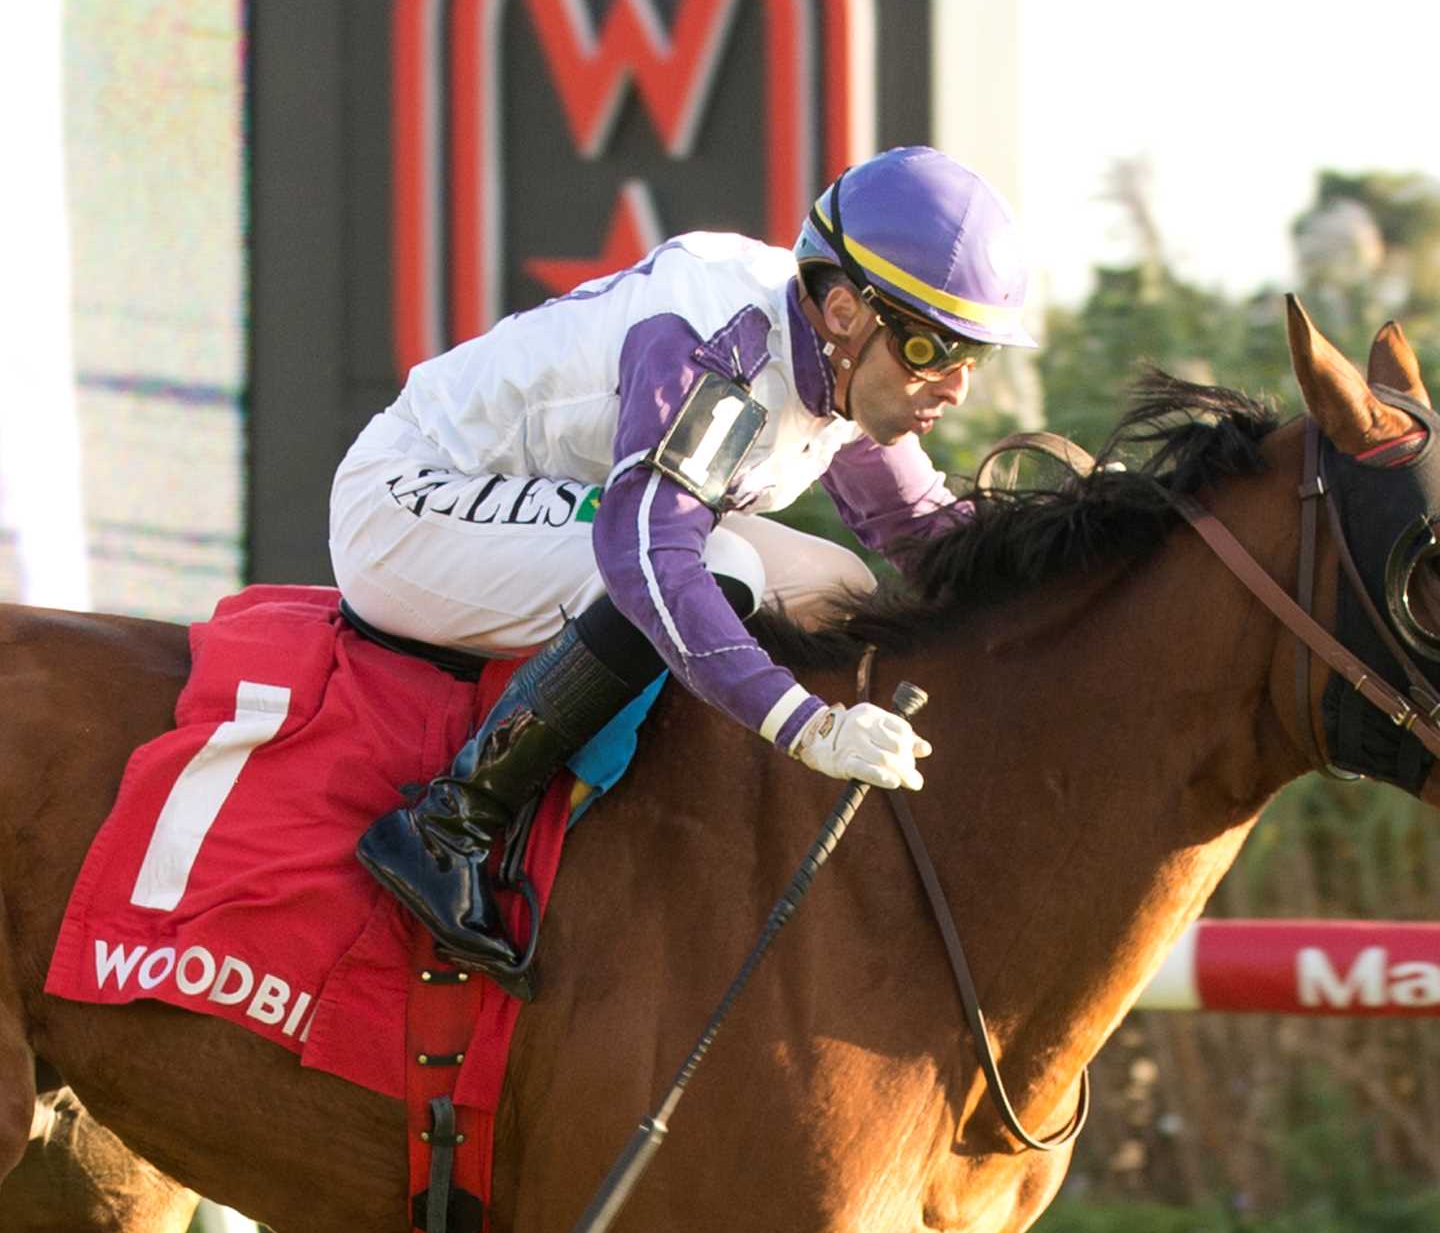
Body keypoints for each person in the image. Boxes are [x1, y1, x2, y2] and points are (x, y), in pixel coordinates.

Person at [338, 145, 1036, 992]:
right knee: (724, 565)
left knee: (837, 587)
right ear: (848, 310)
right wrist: (808, 727)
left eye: (975, 357)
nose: (956, 387)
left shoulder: (833, 349)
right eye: (933, 349)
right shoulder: (723, 353)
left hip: (538, 499)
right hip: (408, 507)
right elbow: (646, 560)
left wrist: (1077, 552)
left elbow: (919, 528)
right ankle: (453, 822)